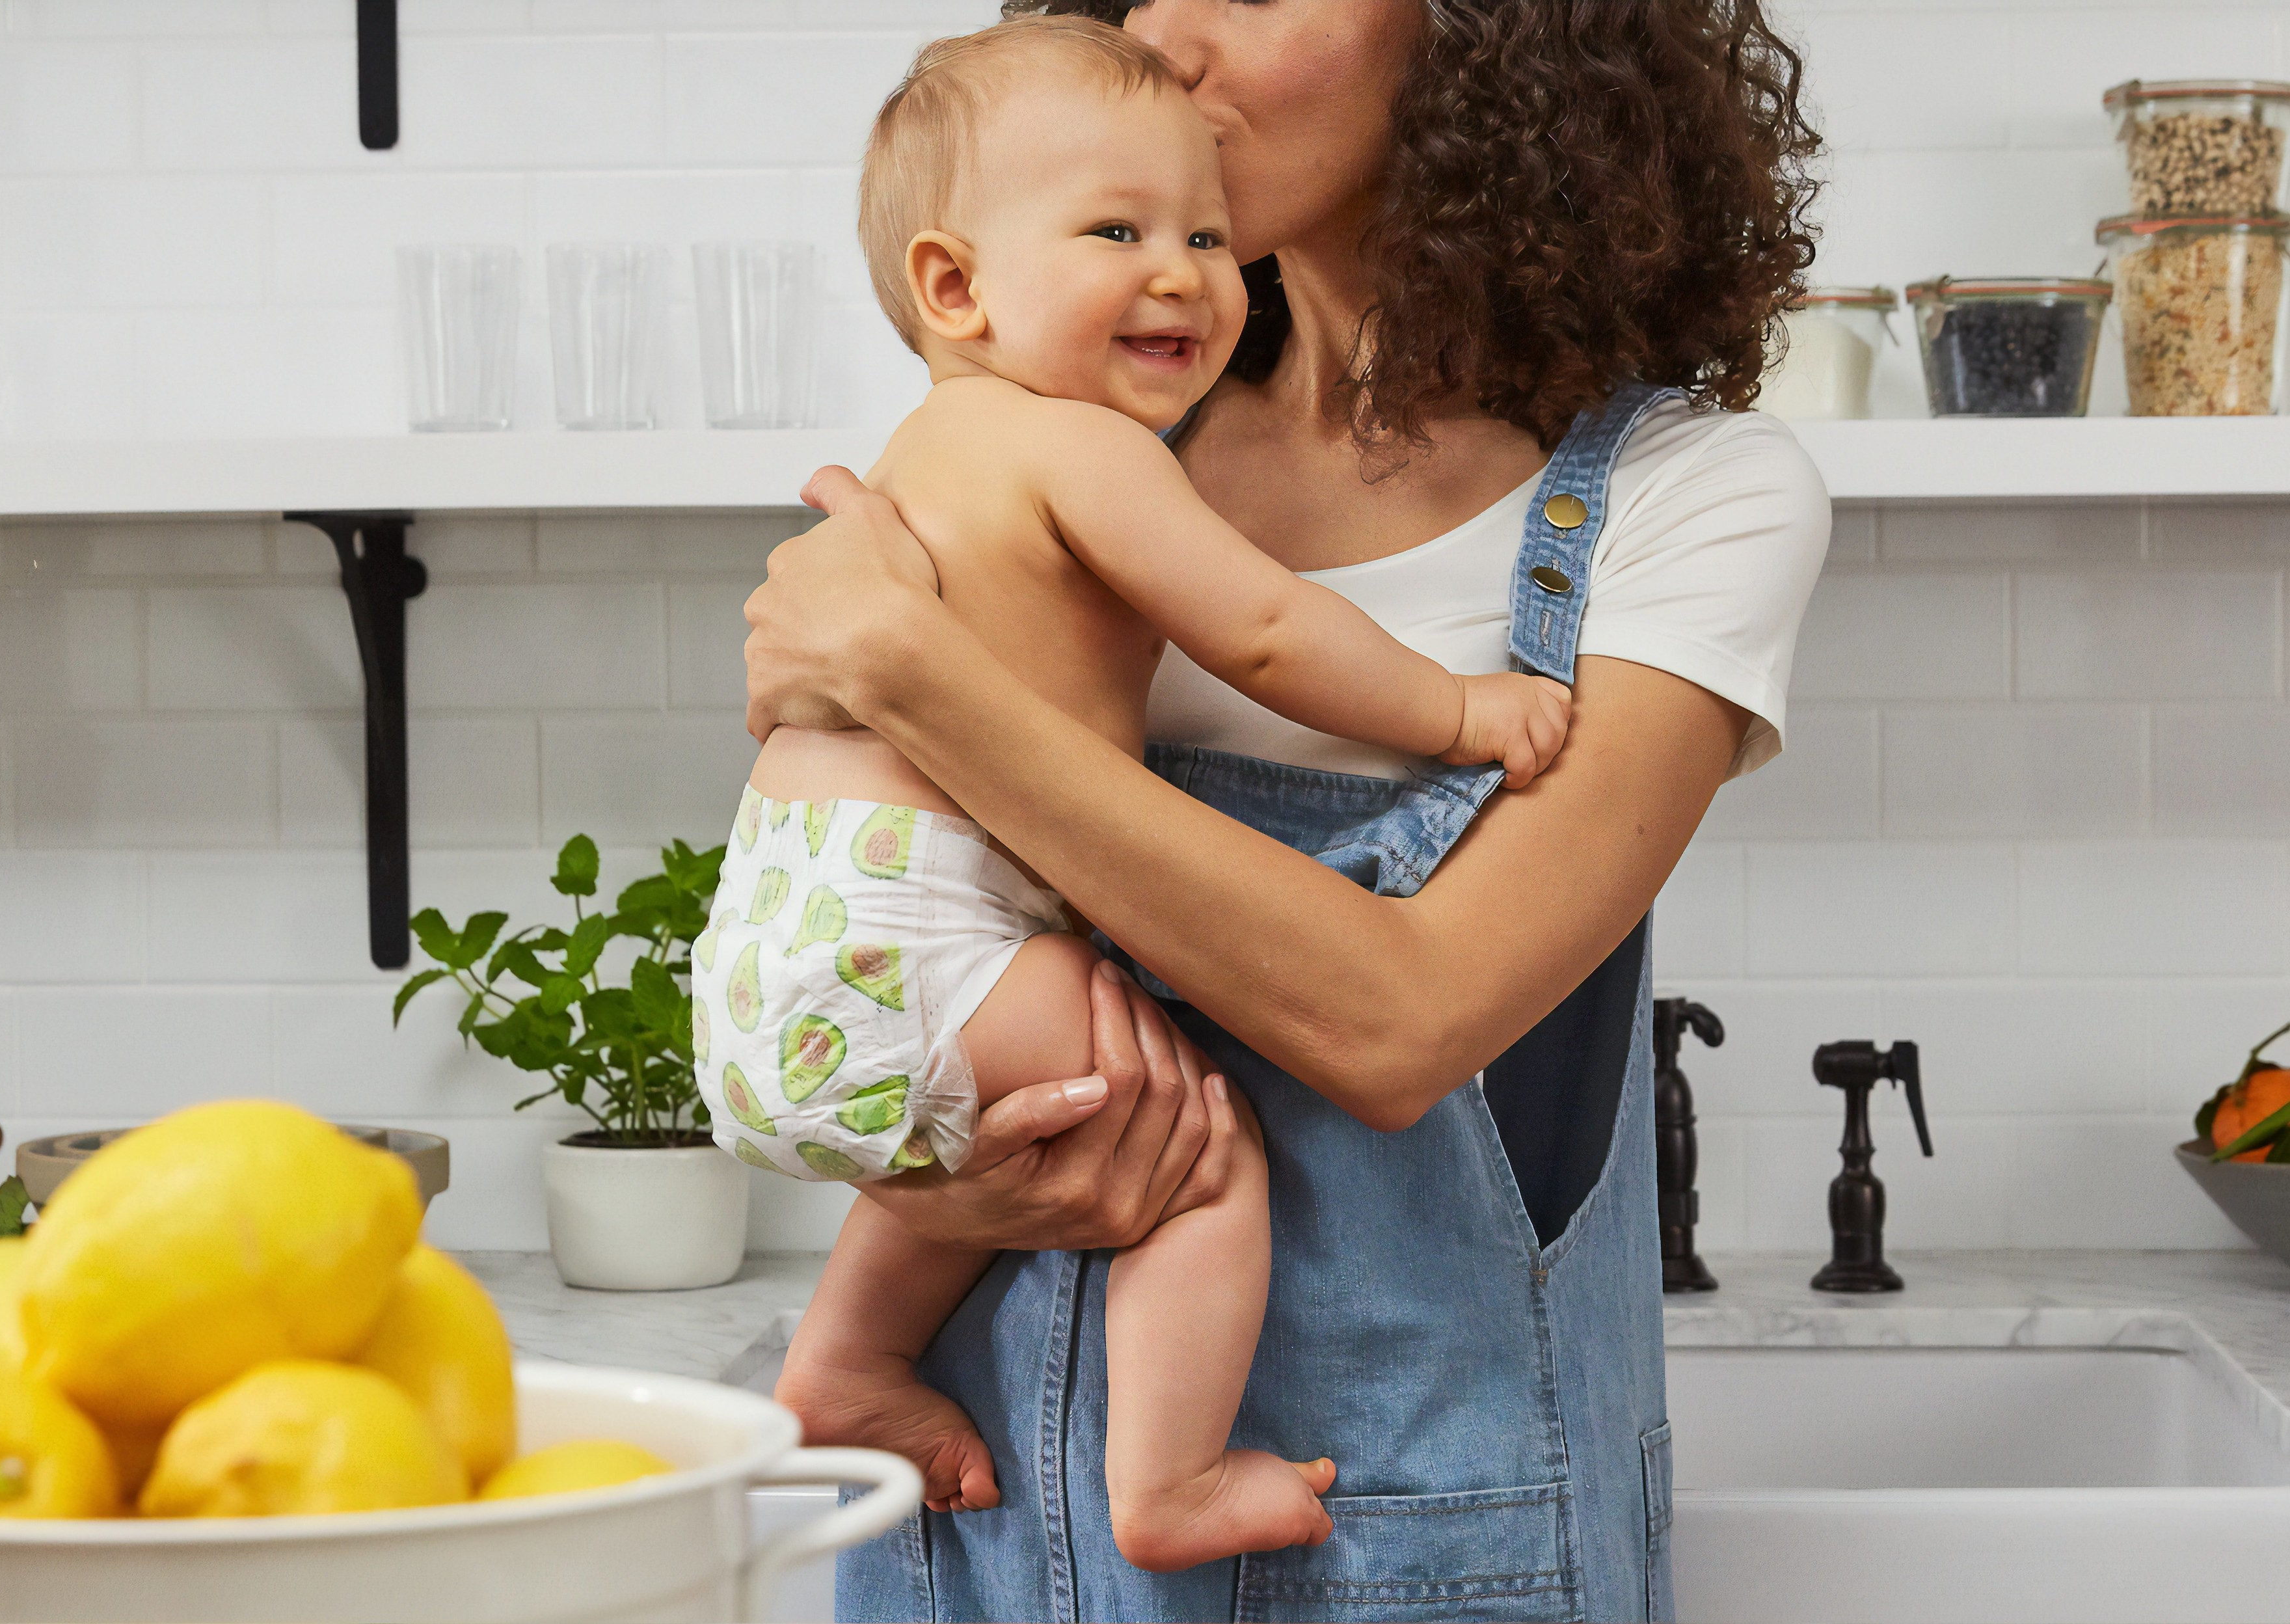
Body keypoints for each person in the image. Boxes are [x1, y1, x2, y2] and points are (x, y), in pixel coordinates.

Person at [744, 0, 1830, 1617]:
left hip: (1388, 1547)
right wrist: (948, 1176)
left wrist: (920, 677)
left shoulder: (1692, 499)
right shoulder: (1080, 436)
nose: (1168, 35)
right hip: (977, 1516)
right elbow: (894, 920)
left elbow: (1402, 1022)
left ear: (1493, 44)